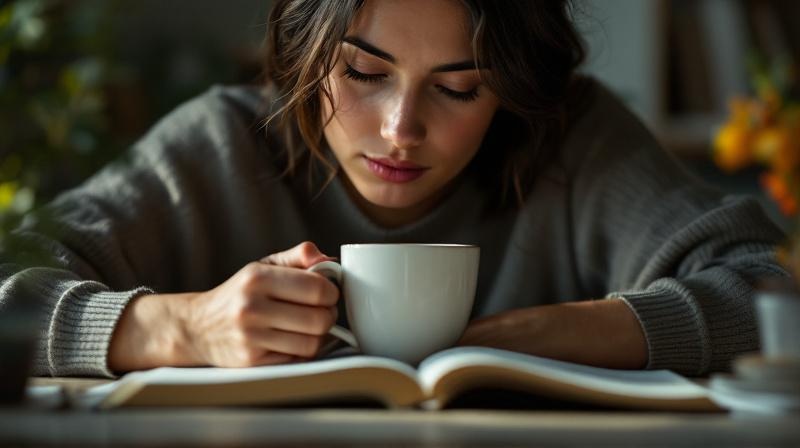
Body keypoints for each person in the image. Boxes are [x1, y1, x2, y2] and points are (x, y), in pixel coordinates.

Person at [0, 0, 786, 379]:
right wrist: (182, 328)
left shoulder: (573, 141)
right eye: (362, 73)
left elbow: (770, 291)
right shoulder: (219, 145)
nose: (400, 129)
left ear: (511, 92)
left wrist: (540, 337)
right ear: (305, 56)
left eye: (458, 88)